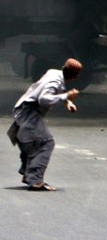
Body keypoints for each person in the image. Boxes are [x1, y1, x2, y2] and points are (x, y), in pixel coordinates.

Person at [8, 58, 81, 191]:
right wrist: (66, 96)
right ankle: (35, 180)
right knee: (46, 143)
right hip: (29, 113)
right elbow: (43, 99)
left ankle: (27, 173)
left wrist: (68, 101)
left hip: (23, 110)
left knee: (31, 142)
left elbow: (59, 88)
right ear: (73, 76)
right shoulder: (54, 81)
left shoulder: (53, 73)